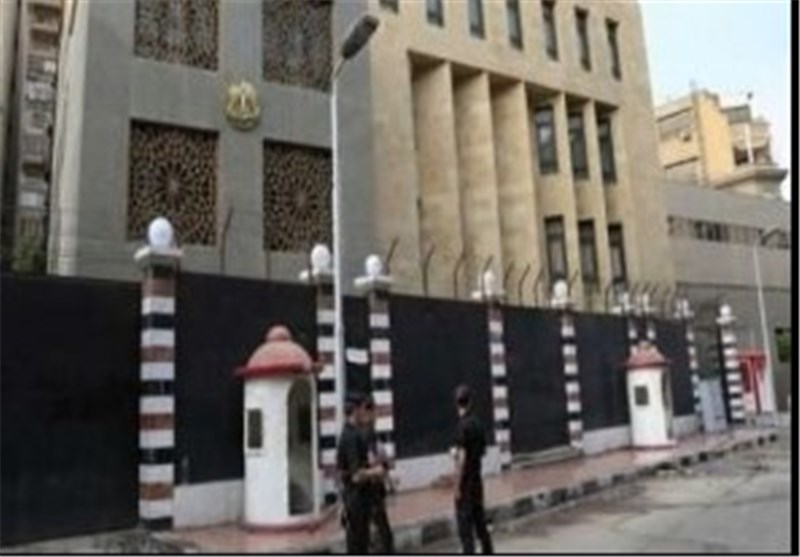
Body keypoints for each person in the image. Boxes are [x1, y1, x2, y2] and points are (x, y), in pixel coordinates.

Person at [336, 392, 386, 554]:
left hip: (357, 499)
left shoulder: (351, 434)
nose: (364, 413)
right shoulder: (351, 437)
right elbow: (356, 475)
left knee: (360, 543)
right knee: (358, 545)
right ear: (356, 410)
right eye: (362, 409)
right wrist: (376, 471)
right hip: (356, 500)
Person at [452, 384, 494, 554]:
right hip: (477, 480)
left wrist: (456, 486)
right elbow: (483, 452)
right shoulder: (478, 424)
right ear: (470, 402)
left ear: (457, 403)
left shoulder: (462, 426)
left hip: (465, 484)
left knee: (465, 527)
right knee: (480, 522)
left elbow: (462, 459)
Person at [362, 396, 395, 553]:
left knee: (378, 529)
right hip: (372, 488)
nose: (376, 415)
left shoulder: (367, 431)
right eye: (374, 411)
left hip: (373, 488)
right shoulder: (367, 432)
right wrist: (381, 470)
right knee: (382, 532)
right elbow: (372, 457)